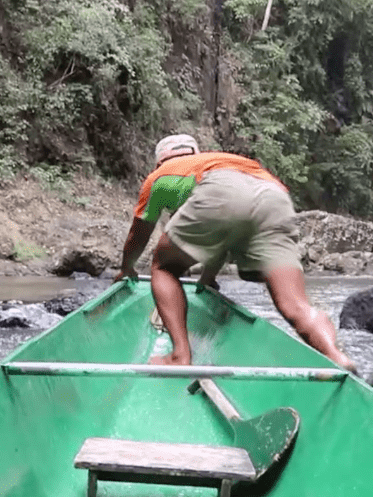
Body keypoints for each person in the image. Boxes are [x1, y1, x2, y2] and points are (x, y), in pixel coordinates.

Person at [115, 134, 356, 371]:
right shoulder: (219, 161)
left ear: (159, 162)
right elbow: (223, 233)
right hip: (274, 194)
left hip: (221, 192)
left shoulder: (160, 176)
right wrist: (208, 277)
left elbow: (139, 234)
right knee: (296, 304)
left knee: (163, 268)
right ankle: (335, 355)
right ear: (197, 153)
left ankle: (180, 356)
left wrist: (127, 267)